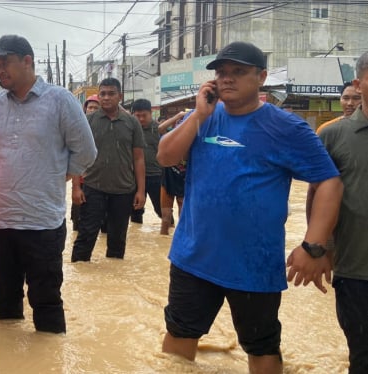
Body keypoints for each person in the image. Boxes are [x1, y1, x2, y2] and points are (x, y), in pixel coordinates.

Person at [157, 41, 342, 373]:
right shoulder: (203, 118)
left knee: (262, 348)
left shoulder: (286, 127)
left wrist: (313, 245)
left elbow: (329, 181)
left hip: (254, 265)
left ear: (262, 77)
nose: (227, 79)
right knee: (178, 338)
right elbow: (165, 157)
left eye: (238, 72)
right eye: (222, 72)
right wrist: (199, 115)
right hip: (193, 256)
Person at [0, 35, 97, 334]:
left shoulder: (60, 100)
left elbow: (86, 151)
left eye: (4, 63)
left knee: (46, 304)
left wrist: (58, 173)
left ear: (27, 61)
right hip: (0, 223)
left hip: (42, 224)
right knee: (4, 305)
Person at [314, 51, 368, 373]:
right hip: (355, 271)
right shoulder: (333, 135)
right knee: (361, 356)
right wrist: (319, 248)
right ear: (359, 83)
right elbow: (317, 196)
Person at [71, 78, 146, 262]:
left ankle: (114, 279)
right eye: (102, 93)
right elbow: (76, 155)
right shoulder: (87, 121)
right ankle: (82, 277)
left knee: (117, 240)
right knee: (85, 236)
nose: (106, 98)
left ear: (120, 96)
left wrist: (141, 191)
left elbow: (138, 158)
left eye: (111, 93)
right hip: (93, 187)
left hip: (123, 190)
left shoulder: (132, 122)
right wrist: (76, 187)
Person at [71, 94, 101, 231]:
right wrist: (75, 187)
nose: (92, 110)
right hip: (82, 181)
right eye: (90, 107)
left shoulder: (107, 127)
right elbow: (74, 158)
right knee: (77, 219)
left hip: (100, 183)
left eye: (96, 107)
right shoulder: (77, 128)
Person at [130, 98, 162, 224]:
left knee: (162, 210)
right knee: (135, 211)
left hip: (156, 176)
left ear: (151, 113)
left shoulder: (159, 129)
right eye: (138, 116)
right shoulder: (130, 129)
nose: (141, 119)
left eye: (144, 115)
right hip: (134, 177)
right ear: (133, 115)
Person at [157, 111, 188, 235]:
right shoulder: (169, 137)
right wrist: (178, 116)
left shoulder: (193, 140)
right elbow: (160, 128)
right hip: (168, 182)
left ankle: (181, 241)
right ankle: (162, 244)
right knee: (165, 219)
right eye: (179, 123)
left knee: (183, 218)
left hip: (184, 182)